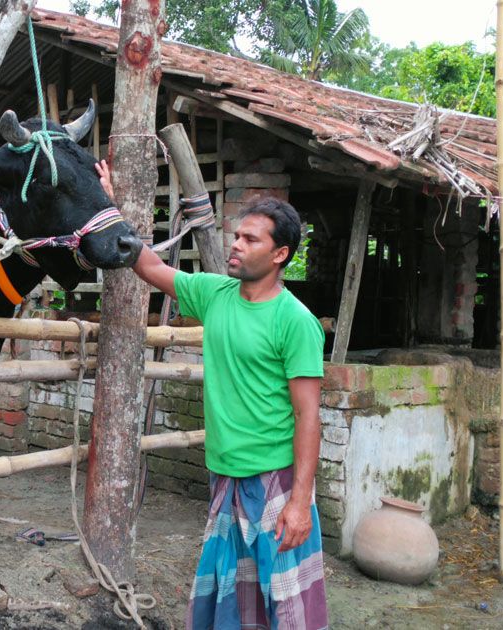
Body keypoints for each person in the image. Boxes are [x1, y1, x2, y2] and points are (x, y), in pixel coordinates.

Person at [96, 161, 329, 630]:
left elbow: (308, 416)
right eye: (237, 236)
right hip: (224, 478)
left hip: (274, 482)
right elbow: (149, 264)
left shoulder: (295, 320)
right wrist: (110, 206)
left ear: (281, 254)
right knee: (232, 595)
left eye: (250, 239)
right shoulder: (215, 294)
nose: (236, 245)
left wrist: (300, 502)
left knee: (287, 604)